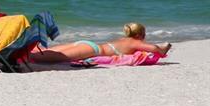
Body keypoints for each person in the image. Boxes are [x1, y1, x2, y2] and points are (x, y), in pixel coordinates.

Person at [28, 22, 171, 63]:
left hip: (86, 43)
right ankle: (30, 57)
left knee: (52, 51)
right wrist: (163, 49)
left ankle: (27, 51)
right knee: (60, 57)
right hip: (93, 49)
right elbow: (153, 48)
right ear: (139, 34)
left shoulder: (124, 39)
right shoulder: (135, 42)